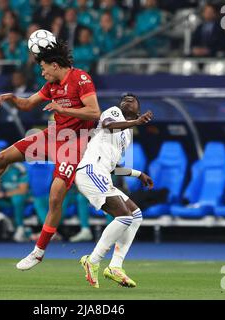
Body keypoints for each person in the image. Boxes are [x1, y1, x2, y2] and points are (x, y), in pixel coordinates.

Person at [0, 39, 101, 270]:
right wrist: (11, 98)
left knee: (55, 196)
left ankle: (38, 252)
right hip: (54, 136)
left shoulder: (81, 78)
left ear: (55, 66)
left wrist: (62, 109)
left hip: (76, 142)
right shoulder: (51, 85)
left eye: (43, 68)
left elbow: (94, 112)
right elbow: (28, 104)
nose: (41, 72)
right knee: (2, 157)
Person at [76, 93, 153, 288]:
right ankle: (92, 260)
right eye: (124, 98)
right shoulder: (114, 112)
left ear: (138, 108)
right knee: (124, 217)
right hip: (90, 170)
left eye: (132, 99)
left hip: (102, 174)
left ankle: (115, 266)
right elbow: (109, 125)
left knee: (135, 215)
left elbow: (113, 166)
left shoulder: (127, 135)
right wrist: (136, 121)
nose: (127, 99)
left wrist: (138, 174)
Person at [0, 162, 29, 242]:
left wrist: (4, 194)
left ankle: (20, 228)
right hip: (5, 200)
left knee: (17, 199)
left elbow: (23, 190)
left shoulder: (20, 168)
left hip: (19, 198)